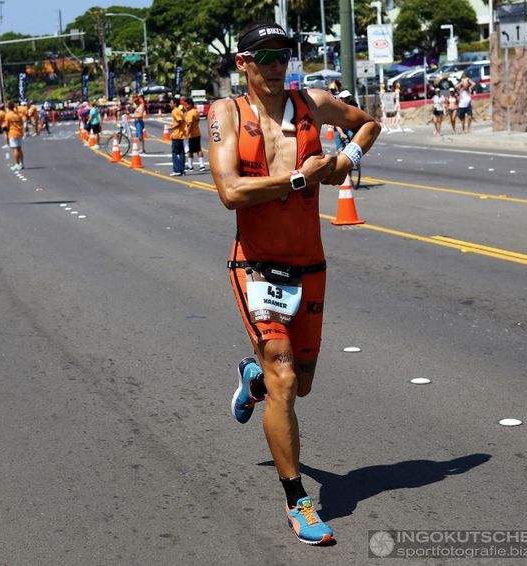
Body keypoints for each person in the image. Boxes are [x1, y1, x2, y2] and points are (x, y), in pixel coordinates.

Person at [208, 21, 380, 546]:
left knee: (299, 382)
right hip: (256, 264)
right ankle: (297, 500)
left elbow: (368, 125)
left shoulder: (315, 103)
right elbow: (231, 192)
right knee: (284, 376)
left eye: (284, 54)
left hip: (309, 263)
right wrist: (299, 178)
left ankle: (252, 379)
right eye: (265, 56)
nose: (277, 64)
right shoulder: (225, 114)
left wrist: (345, 161)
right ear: (244, 63)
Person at [184, 98, 205, 171]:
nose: (185, 106)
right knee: (197, 149)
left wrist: (187, 133)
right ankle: (200, 165)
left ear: (190, 105)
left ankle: (191, 166)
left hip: (191, 134)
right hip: (197, 133)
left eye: (186, 105)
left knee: (191, 150)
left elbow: (190, 124)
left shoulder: (190, 113)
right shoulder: (195, 111)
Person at [169, 96, 187, 176]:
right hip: (182, 135)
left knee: (175, 153)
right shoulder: (179, 111)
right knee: (182, 153)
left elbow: (180, 121)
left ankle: (176, 170)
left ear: (175, 104)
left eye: (171, 103)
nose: (170, 104)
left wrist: (172, 127)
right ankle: (182, 170)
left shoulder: (174, 111)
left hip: (176, 135)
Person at [5, 100, 25, 170]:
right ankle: (22, 163)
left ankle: (17, 164)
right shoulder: (18, 114)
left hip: (12, 133)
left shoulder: (8, 115)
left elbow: (6, 126)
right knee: (19, 148)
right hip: (19, 132)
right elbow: (21, 123)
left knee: (15, 149)